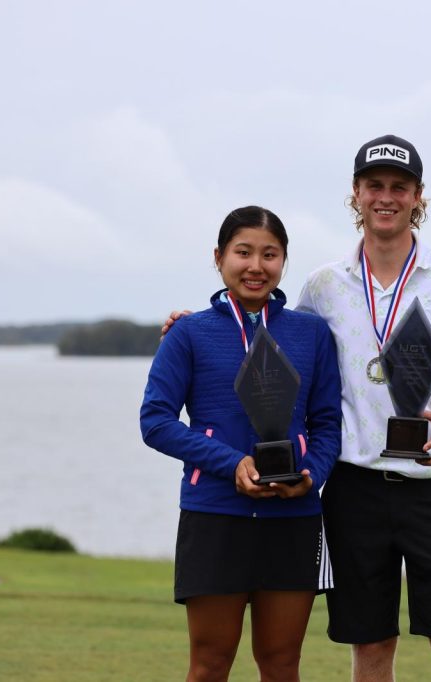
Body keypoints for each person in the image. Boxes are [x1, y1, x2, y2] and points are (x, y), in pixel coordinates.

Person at [163, 136, 431, 682]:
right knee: (369, 647)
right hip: (353, 488)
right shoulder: (323, 286)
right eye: (374, 186)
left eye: (399, 187)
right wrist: (194, 321)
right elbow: (271, 346)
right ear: (356, 195)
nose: (385, 197)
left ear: (418, 197)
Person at [141, 205, 342, 682]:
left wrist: (313, 472)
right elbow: (155, 420)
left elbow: (330, 422)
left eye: (270, 255)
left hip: (293, 518)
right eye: (243, 252)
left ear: (284, 262)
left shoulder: (311, 333)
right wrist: (231, 464)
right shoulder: (189, 333)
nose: (256, 266)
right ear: (219, 258)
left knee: (281, 664)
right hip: (215, 515)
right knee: (209, 666)